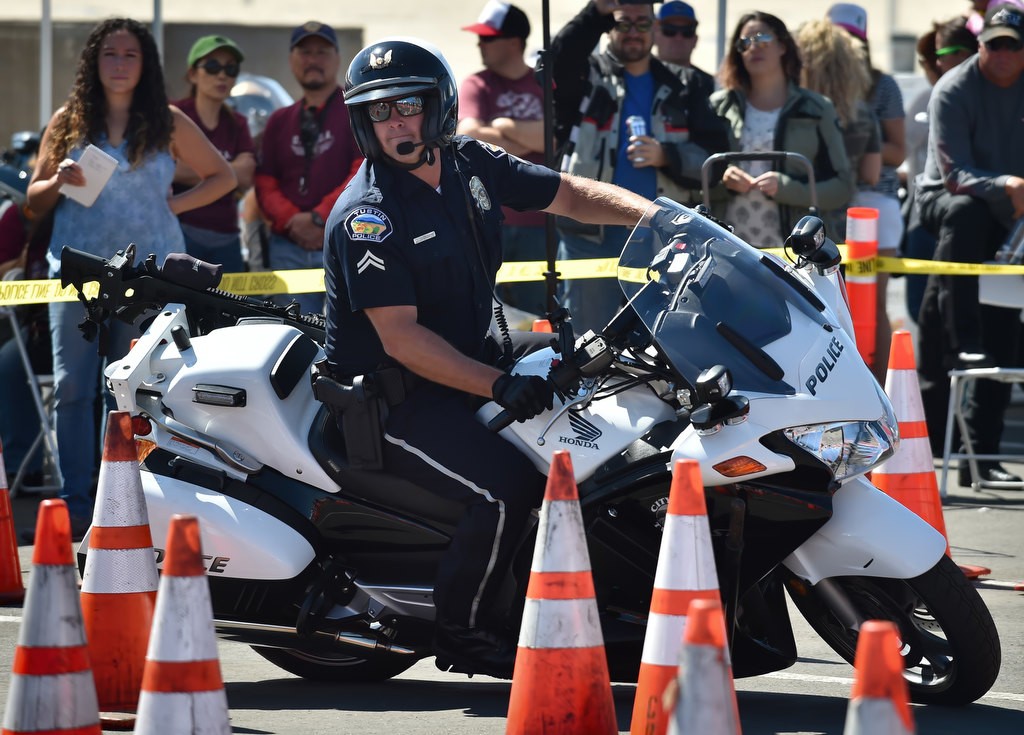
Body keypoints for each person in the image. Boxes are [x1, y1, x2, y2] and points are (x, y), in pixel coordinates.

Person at [328, 37, 652, 678]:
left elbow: (566, 194)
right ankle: (466, 631)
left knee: (603, 363)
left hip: (469, 361)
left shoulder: (468, 164)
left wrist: (658, 218)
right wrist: (498, 385)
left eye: (408, 106)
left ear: (439, 108)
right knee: (508, 489)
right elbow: (402, 339)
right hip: (396, 400)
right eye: (380, 112)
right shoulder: (368, 218)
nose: (395, 122)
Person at [25, 18, 236, 539]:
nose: (119, 64)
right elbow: (32, 203)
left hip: (145, 278)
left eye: (130, 55)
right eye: (110, 55)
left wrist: (173, 205)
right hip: (75, 275)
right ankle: (78, 501)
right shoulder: (69, 120)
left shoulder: (166, 122)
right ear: (94, 64)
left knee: (128, 392)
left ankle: (117, 498)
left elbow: (224, 177)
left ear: (146, 66)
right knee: (73, 388)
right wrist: (58, 180)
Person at [550, 0, 728, 333]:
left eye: (642, 24)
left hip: (663, 236)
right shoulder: (588, 76)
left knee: (668, 339)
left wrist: (668, 156)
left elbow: (716, 158)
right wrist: (594, 12)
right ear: (608, 27)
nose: (633, 32)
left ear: (654, 29)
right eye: (623, 23)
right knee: (587, 341)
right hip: (589, 235)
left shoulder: (685, 85)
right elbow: (554, 63)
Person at [914, 2, 1024, 482]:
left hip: (1011, 215)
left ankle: (983, 456)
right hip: (948, 203)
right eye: (993, 43)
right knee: (967, 213)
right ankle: (963, 342)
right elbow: (954, 177)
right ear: (980, 45)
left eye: (1012, 45)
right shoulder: (953, 88)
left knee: (1006, 320)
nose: (1002, 53)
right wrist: (1008, 185)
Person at [710, 12, 853, 249]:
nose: (753, 46)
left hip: (796, 254)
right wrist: (722, 180)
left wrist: (791, 189)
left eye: (762, 38)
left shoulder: (818, 108)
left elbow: (843, 187)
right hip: (728, 251)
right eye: (744, 42)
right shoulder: (718, 106)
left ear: (783, 46)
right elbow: (694, 183)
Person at [255, 21, 363, 314]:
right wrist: (293, 219)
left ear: (338, 58)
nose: (313, 60)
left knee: (353, 337)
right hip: (287, 246)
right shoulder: (280, 119)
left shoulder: (357, 112)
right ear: (291, 60)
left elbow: (362, 170)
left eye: (322, 52)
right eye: (305, 52)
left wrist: (319, 218)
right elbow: (265, 180)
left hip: (345, 239)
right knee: (294, 335)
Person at [827, 3, 906, 377]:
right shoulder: (811, 86)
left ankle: (879, 392)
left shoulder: (883, 84)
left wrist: (853, 146)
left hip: (873, 202)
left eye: (852, 39)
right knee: (831, 305)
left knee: (871, 304)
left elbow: (897, 150)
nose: (846, 48)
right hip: (830, 203)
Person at [457, 1, 548, 315]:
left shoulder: (544, 83)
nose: (479, 44)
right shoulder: (475, 83)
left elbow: (553, 137)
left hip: (541, 220)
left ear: (513, 42)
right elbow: (468, 134)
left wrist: (502, 126)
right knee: (483, 314)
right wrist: (524, 140)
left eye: (487, 38)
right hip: (485, 219)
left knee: (540, 316)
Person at [902, 18, 977, 324]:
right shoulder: (930, 96)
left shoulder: (981, 96)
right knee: (922, 308)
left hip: (966, 214)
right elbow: (903, 150)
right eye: (928, 58)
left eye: (940, 54)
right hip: (927, 213)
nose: (933, 64)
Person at [173, 35, 256, 274]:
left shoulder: (238, 123)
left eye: (230, 68)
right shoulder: (175, 114)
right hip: (183, 234)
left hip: (227, 239)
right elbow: (170, 169)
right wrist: (224, 175)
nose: (222, 75)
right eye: (212, 66)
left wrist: (204, 171)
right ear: (192, 74)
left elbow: (247, 175)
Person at [794, 19, 881, 242]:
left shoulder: (797, 112)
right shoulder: (862, 112)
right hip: (843, 225)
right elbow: (871, 174)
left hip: (796, 219)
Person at [652, 1, 715, 94]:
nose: (679, 38)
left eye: (687, 32)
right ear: (654, 36)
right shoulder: (640, 80)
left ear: (695, 40)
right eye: (670, 30)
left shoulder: (712, 85)